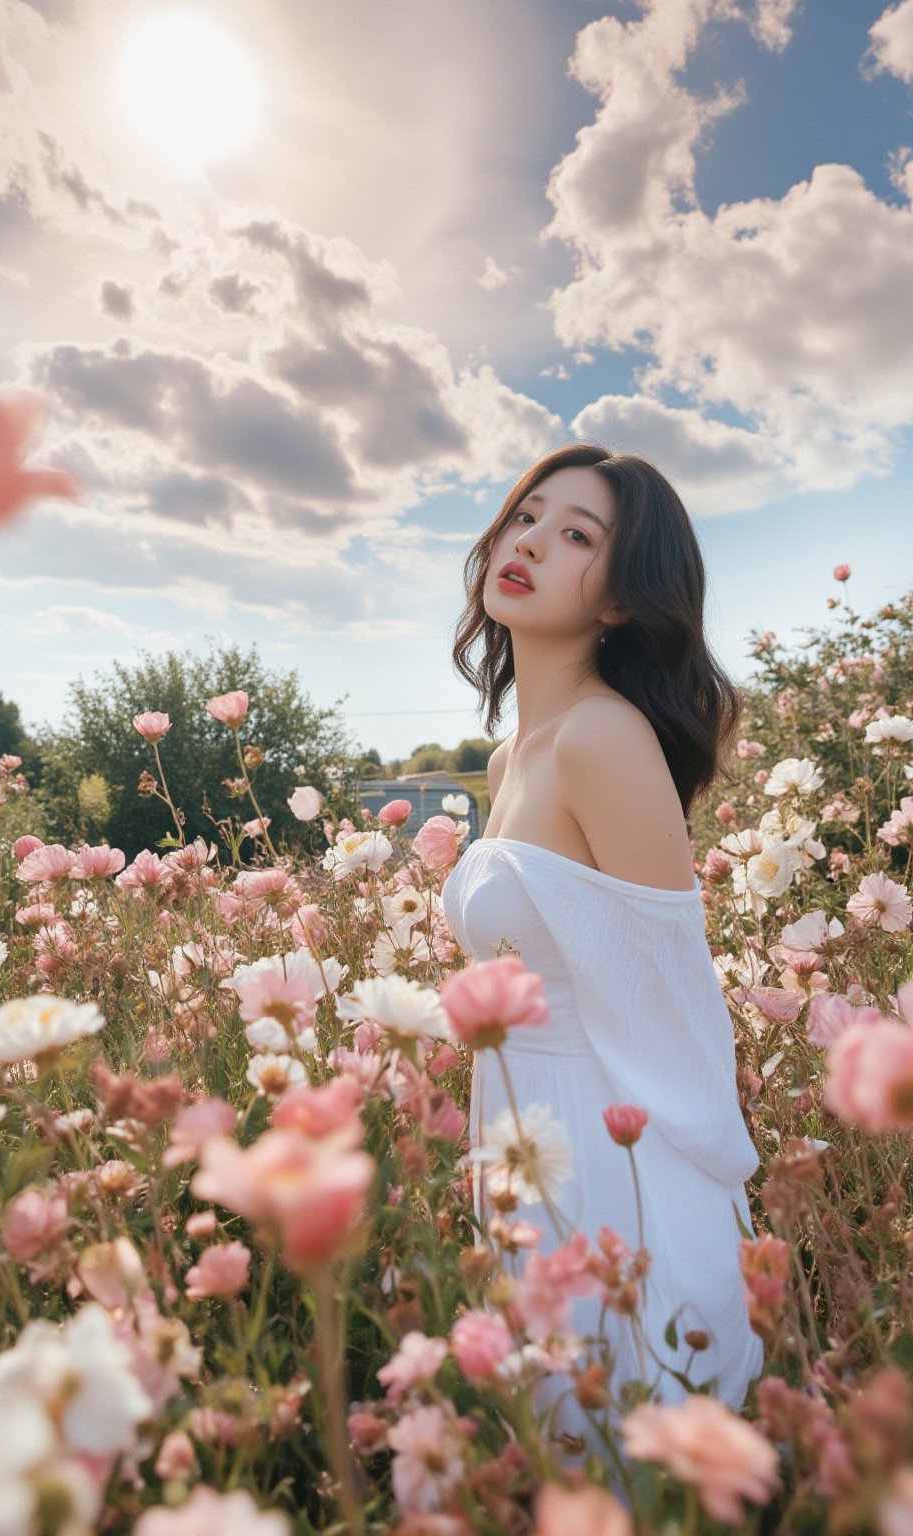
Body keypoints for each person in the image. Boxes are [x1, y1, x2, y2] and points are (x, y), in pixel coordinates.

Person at [441, 442, 764, 1485]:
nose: (528, 541)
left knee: (618, 1467)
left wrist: (704, 1195)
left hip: (610, 1152)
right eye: (525, 516)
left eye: (576, 535)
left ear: (623, 601)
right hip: (522, 1139)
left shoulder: (601, 741)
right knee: (546, 1465)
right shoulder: (510, 755)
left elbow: (672, 991)